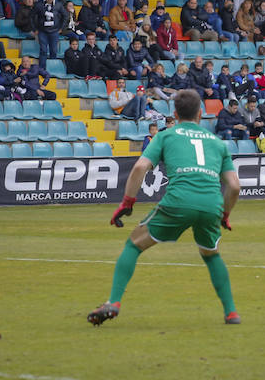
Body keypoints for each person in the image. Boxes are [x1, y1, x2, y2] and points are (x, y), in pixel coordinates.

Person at [88, 89, 241, 326]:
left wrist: (127, 203)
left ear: (175, 113)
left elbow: (140, 168)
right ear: (201, 114)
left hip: (179, 201)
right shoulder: (217, 142)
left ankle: (114, 302)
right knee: (211, 255)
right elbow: (234, 186)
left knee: (134, 244)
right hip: (211, 203)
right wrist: (225, 214)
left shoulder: (166, 135)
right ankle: (231, 312)